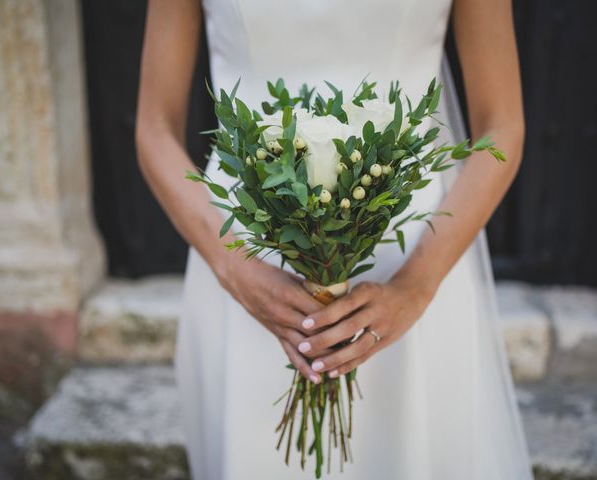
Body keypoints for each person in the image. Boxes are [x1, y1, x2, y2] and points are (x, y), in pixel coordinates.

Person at [135, 0, 532, 478]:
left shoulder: (417, 282)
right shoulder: (240, 276)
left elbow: (502, 125)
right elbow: (154, 127)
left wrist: (415, 287)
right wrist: (235, 269)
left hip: (416, 260)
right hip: (246, 269)